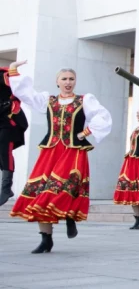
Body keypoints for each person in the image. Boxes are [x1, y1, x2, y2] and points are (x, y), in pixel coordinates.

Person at [6, 61, 112, 253]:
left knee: (66, 186)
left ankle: (70, 216)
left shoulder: (84, 100)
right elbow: (25, 94)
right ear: (57, 81)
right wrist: (13, 70)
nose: (68, 82)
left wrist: (86, 131)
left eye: (71, 79)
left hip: (73, 151)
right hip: (51, 151)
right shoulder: (48, 100)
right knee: (41, 191)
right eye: (64, 79)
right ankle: (46, 239)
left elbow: (102, 116)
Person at [0, 66, 28, 207]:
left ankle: (6, 187)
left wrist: (13, 70)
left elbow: (20, 85)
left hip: (8, 118)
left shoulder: (4, 74)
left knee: (5, 150)